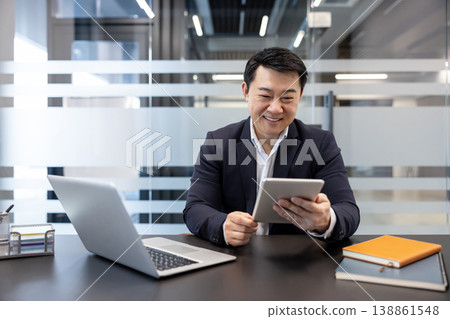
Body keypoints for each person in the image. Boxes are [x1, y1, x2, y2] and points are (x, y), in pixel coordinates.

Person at [183, 47, 359, 247]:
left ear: (300, 96)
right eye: (265, 96)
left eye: (287, 98)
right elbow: (196, 208)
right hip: (235, 262)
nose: (275, 108)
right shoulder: (219, 142)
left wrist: (325, 221)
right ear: (246, 92)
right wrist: (223, 225)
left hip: (297, 263)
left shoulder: (320, 143)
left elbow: (348, 211)